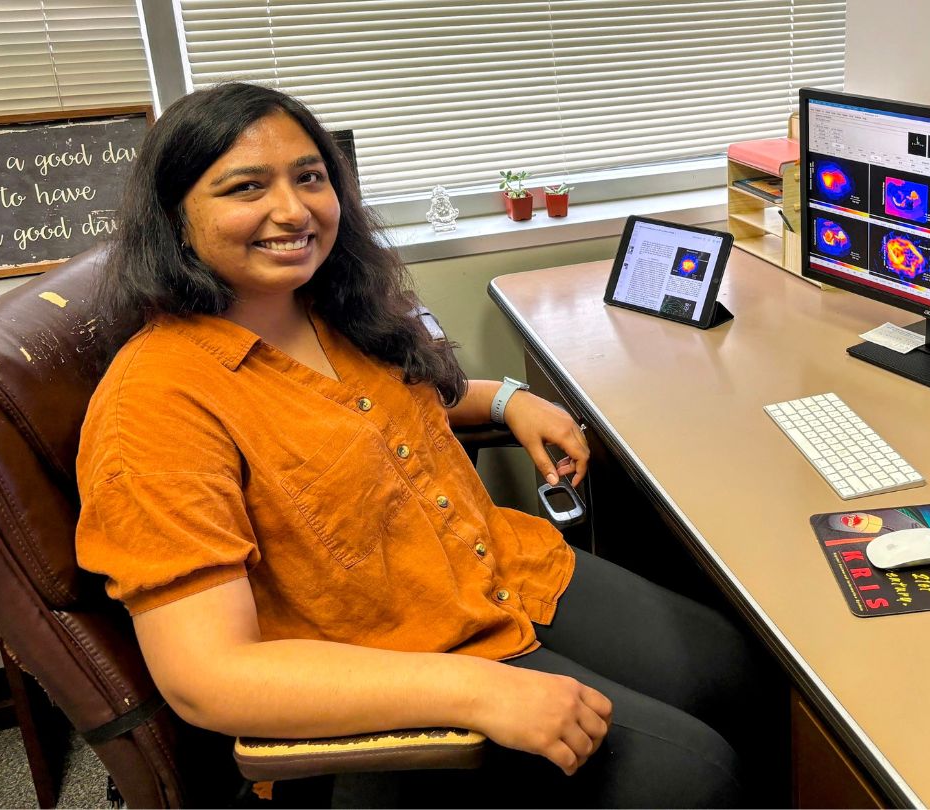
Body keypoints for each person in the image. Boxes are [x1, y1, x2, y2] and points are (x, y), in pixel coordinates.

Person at [75, 82, 777, 808]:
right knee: (698, 773)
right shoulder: (155, 407)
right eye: (246, 187)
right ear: (173, 217)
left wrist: (509, 398)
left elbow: (386, 410)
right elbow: (207, 678)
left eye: (309, 178)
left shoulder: (322, 304)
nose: (292, 210)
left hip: (492, 570)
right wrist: (478, 691)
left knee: (741, 672)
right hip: (397, 668)